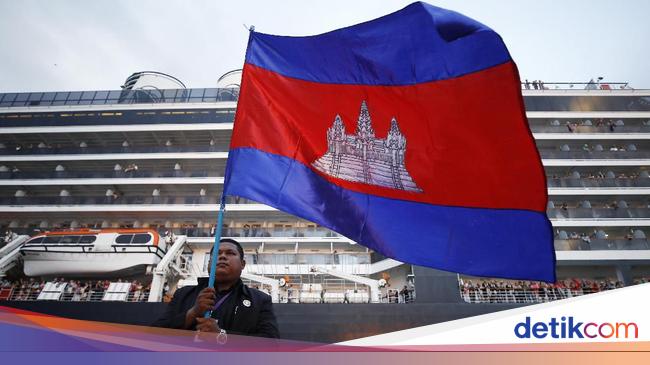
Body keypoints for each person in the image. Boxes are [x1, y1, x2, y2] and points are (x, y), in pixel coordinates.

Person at [152, 238, 280, 338]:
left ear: (243, 264)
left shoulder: (260, 300)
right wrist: (192, 313)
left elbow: (271, 343)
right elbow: (154, 333)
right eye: (217, 253)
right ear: (209, 264)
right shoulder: (183, 294)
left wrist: (222, 335)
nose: (222, 256)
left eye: (230, 253)